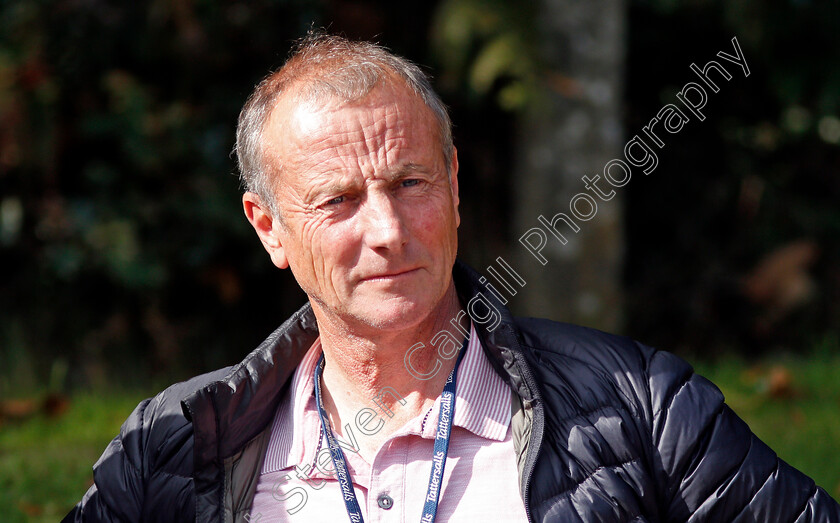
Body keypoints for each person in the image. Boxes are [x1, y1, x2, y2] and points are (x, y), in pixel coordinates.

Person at [63, 33, 840, 523]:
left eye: (411, 183)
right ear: (269, 228)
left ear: (456, 186)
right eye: (338, 200)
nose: (389, 231)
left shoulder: (644, 408)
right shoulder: (172, 448)